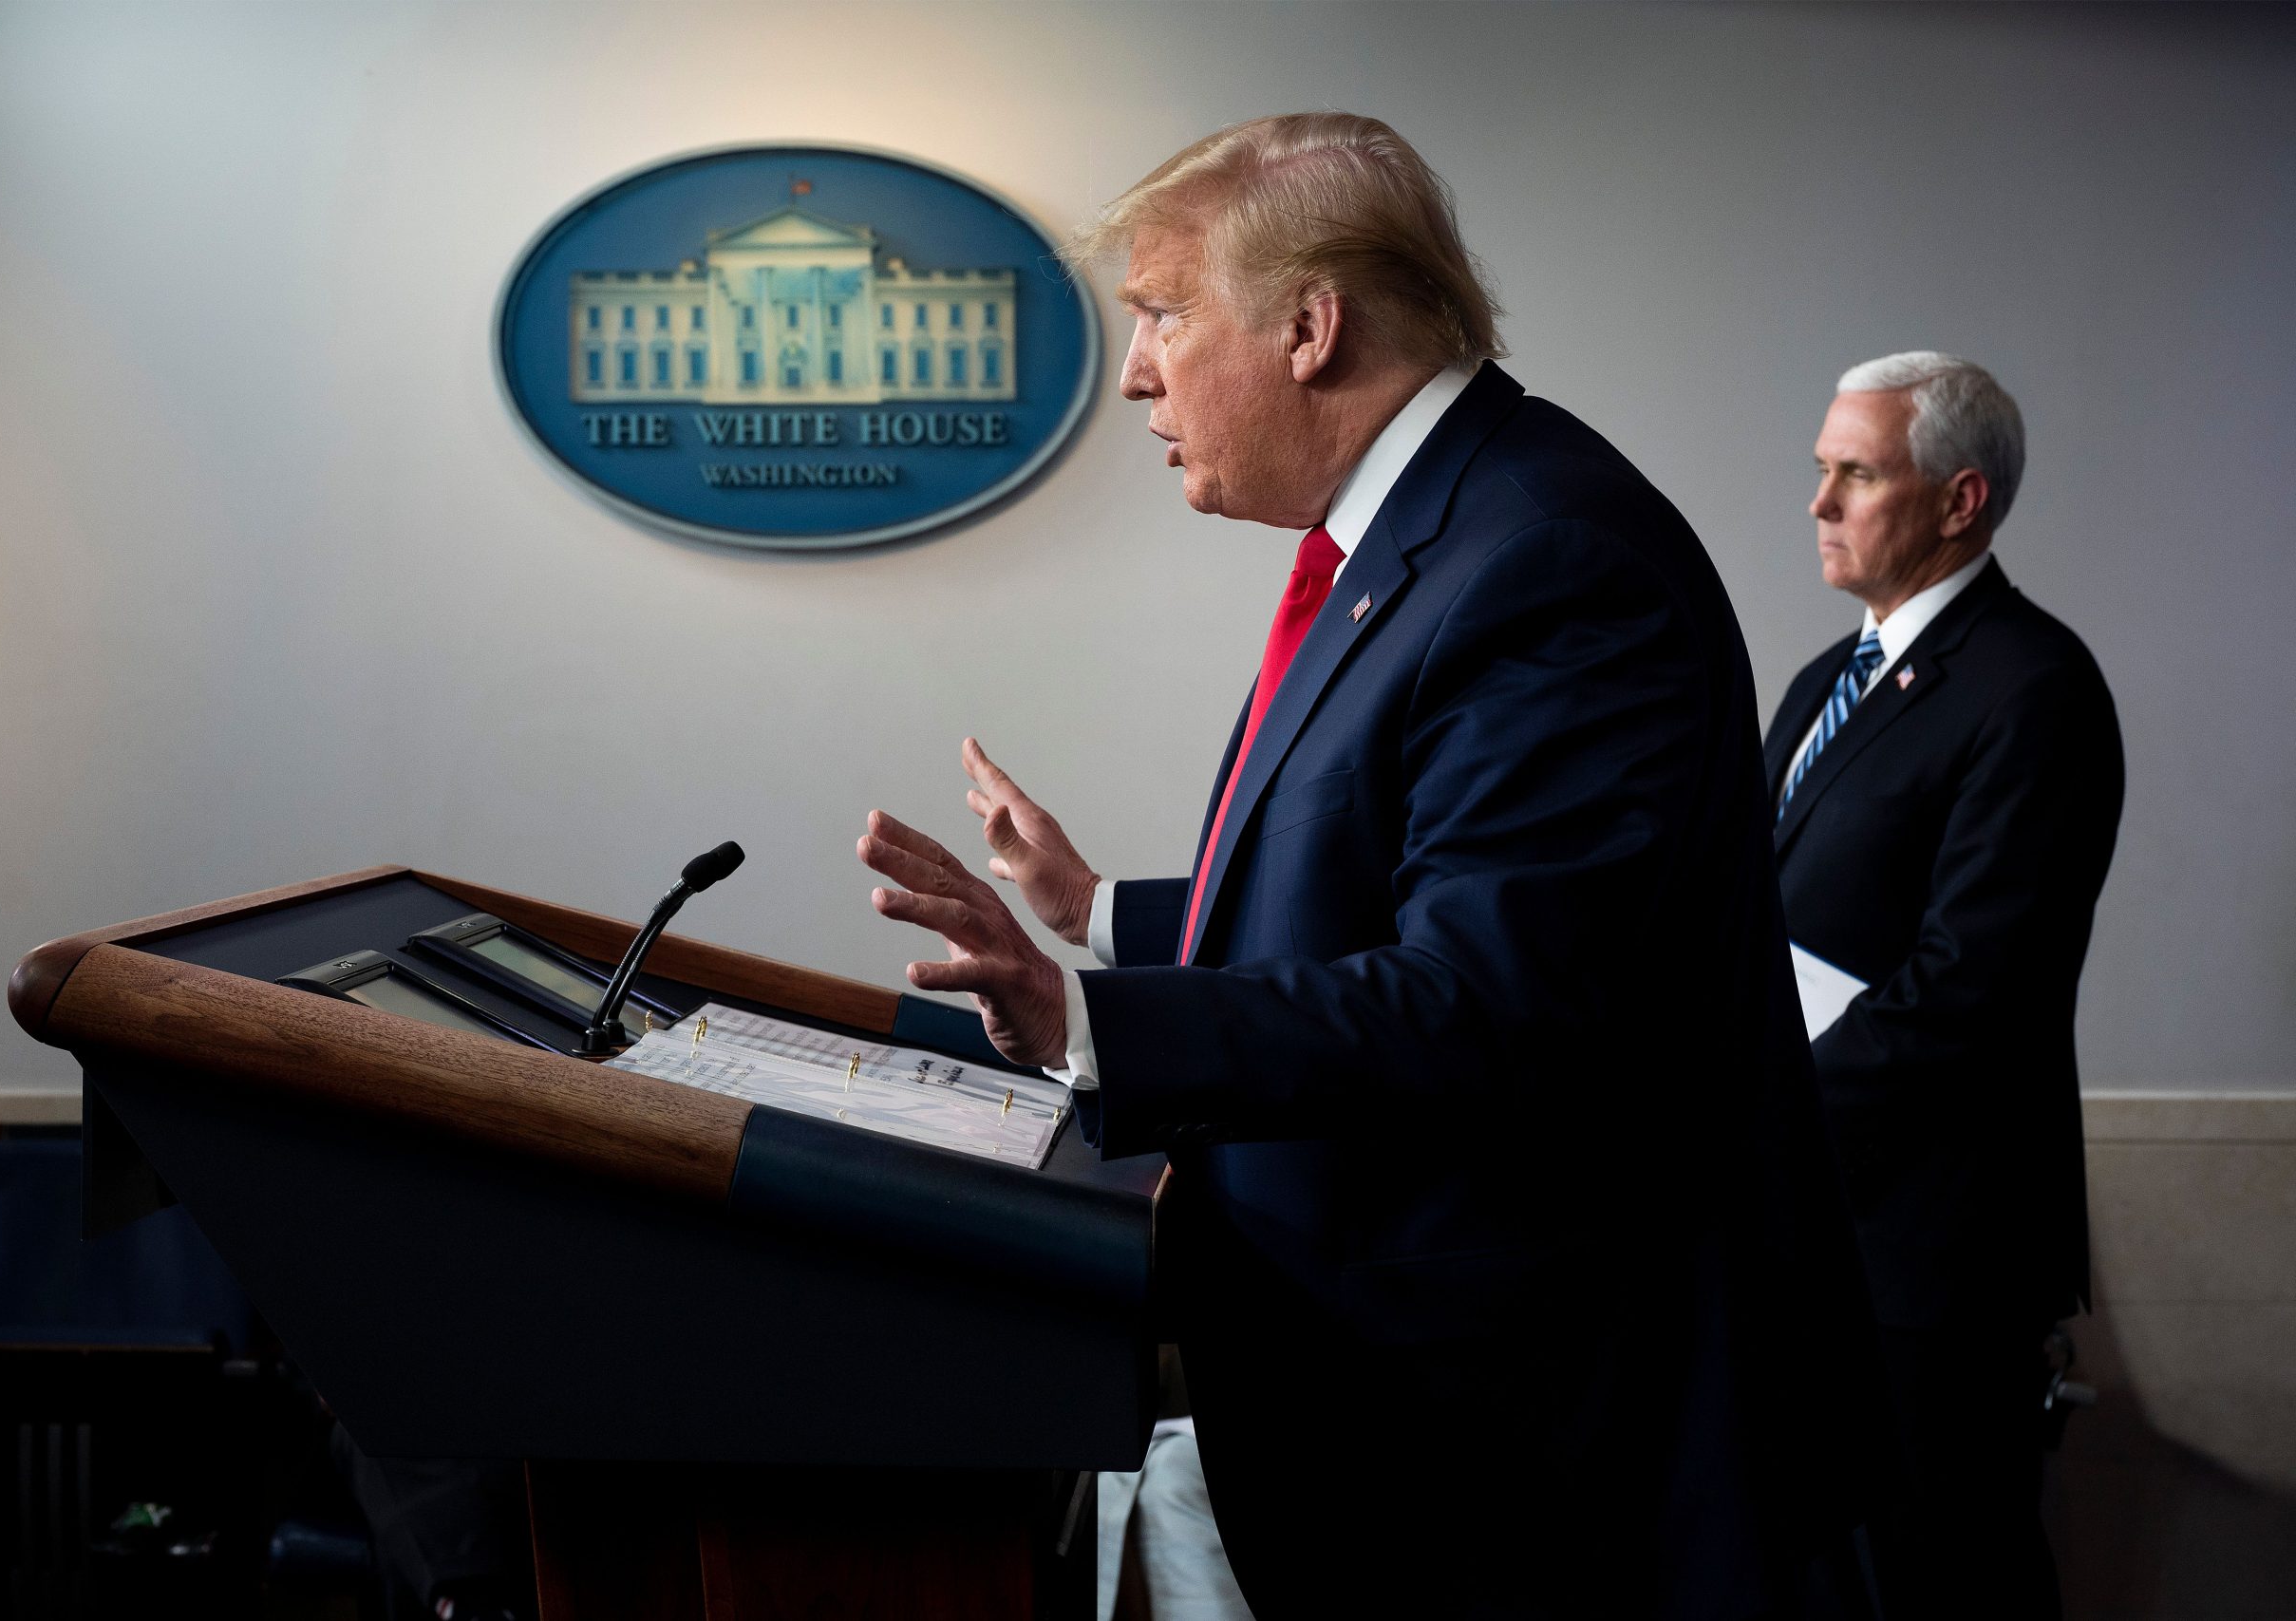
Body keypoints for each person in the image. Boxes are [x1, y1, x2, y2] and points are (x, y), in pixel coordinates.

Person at [856, 113, 1869, 1618]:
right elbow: (1379, 887)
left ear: (1310, 328)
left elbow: (1484, 1002)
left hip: (1534, 1473)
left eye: (1161, 313)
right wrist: (1097, 914)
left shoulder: (1546, 556)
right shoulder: (1427, 537)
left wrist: (1083, 1025)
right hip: (1430, 1431)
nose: (1135, 372)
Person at [1767, 353, 2123, 1618]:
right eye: (1823, 471)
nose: (1819, 502)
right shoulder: (1824, 684)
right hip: (1821, 1240)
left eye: (1855, 474)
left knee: (1938, 1587)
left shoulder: (2034, 688)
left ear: (1960, 500)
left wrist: (1761, 1097)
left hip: (1935, 1265)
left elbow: (1971, 992)